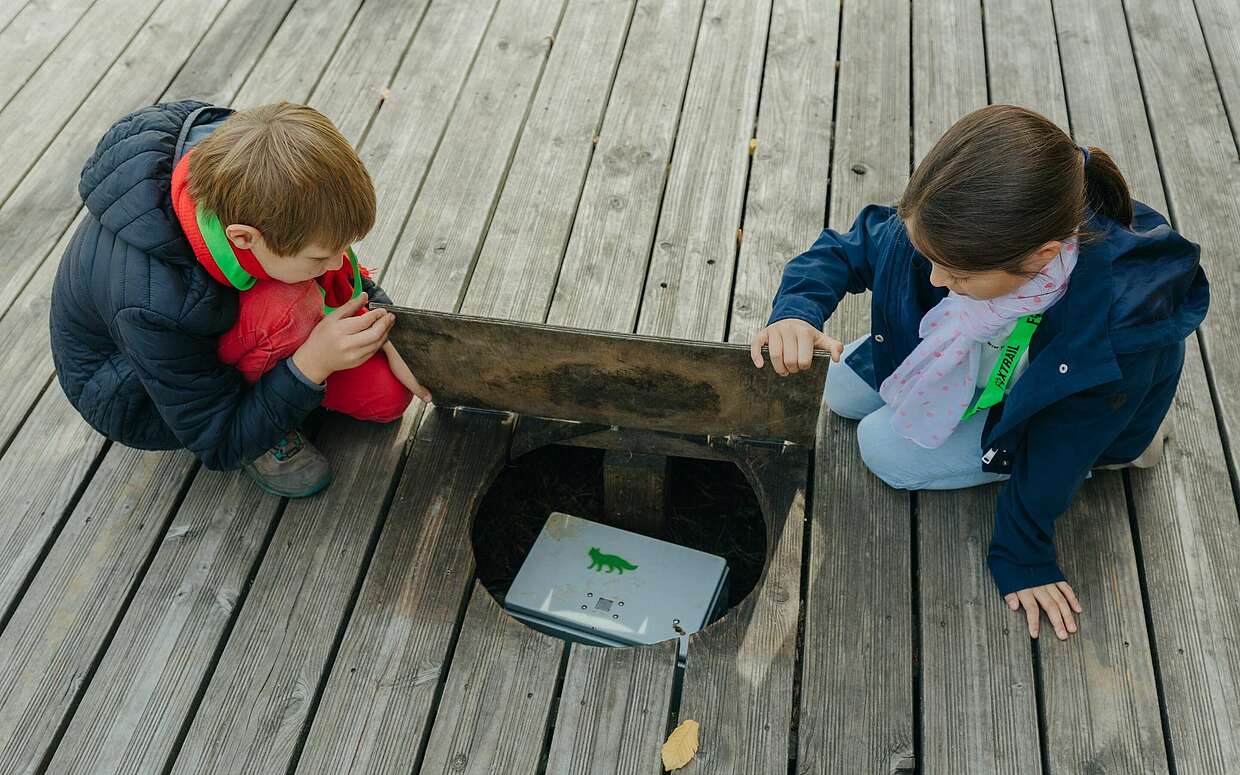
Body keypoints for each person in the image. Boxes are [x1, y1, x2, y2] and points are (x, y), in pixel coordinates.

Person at [751, 105, 1208, 640]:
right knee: (836, 385)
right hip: (979, 351)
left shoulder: (1114, 332)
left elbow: (1058, 449)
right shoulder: (951, 231)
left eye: (960, 273)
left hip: (1067, 407)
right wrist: (795, 314)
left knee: (880, 448)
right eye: (928, 256)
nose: (937, 278)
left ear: (1041, 258)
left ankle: (1124, 455)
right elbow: (845, 250)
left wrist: (1024, 555)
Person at [51, 101, 429, 499]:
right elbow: (218, 441)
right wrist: (311, 364)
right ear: (243, 237)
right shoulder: (149, 303)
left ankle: (279, 381)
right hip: (142, 394)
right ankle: (267, 427)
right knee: (287, 307)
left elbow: (335, 258)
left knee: (385, 394)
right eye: (320, 257)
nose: (338, 262)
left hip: (216, 315)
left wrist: (383, 320)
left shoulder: (254, 168)